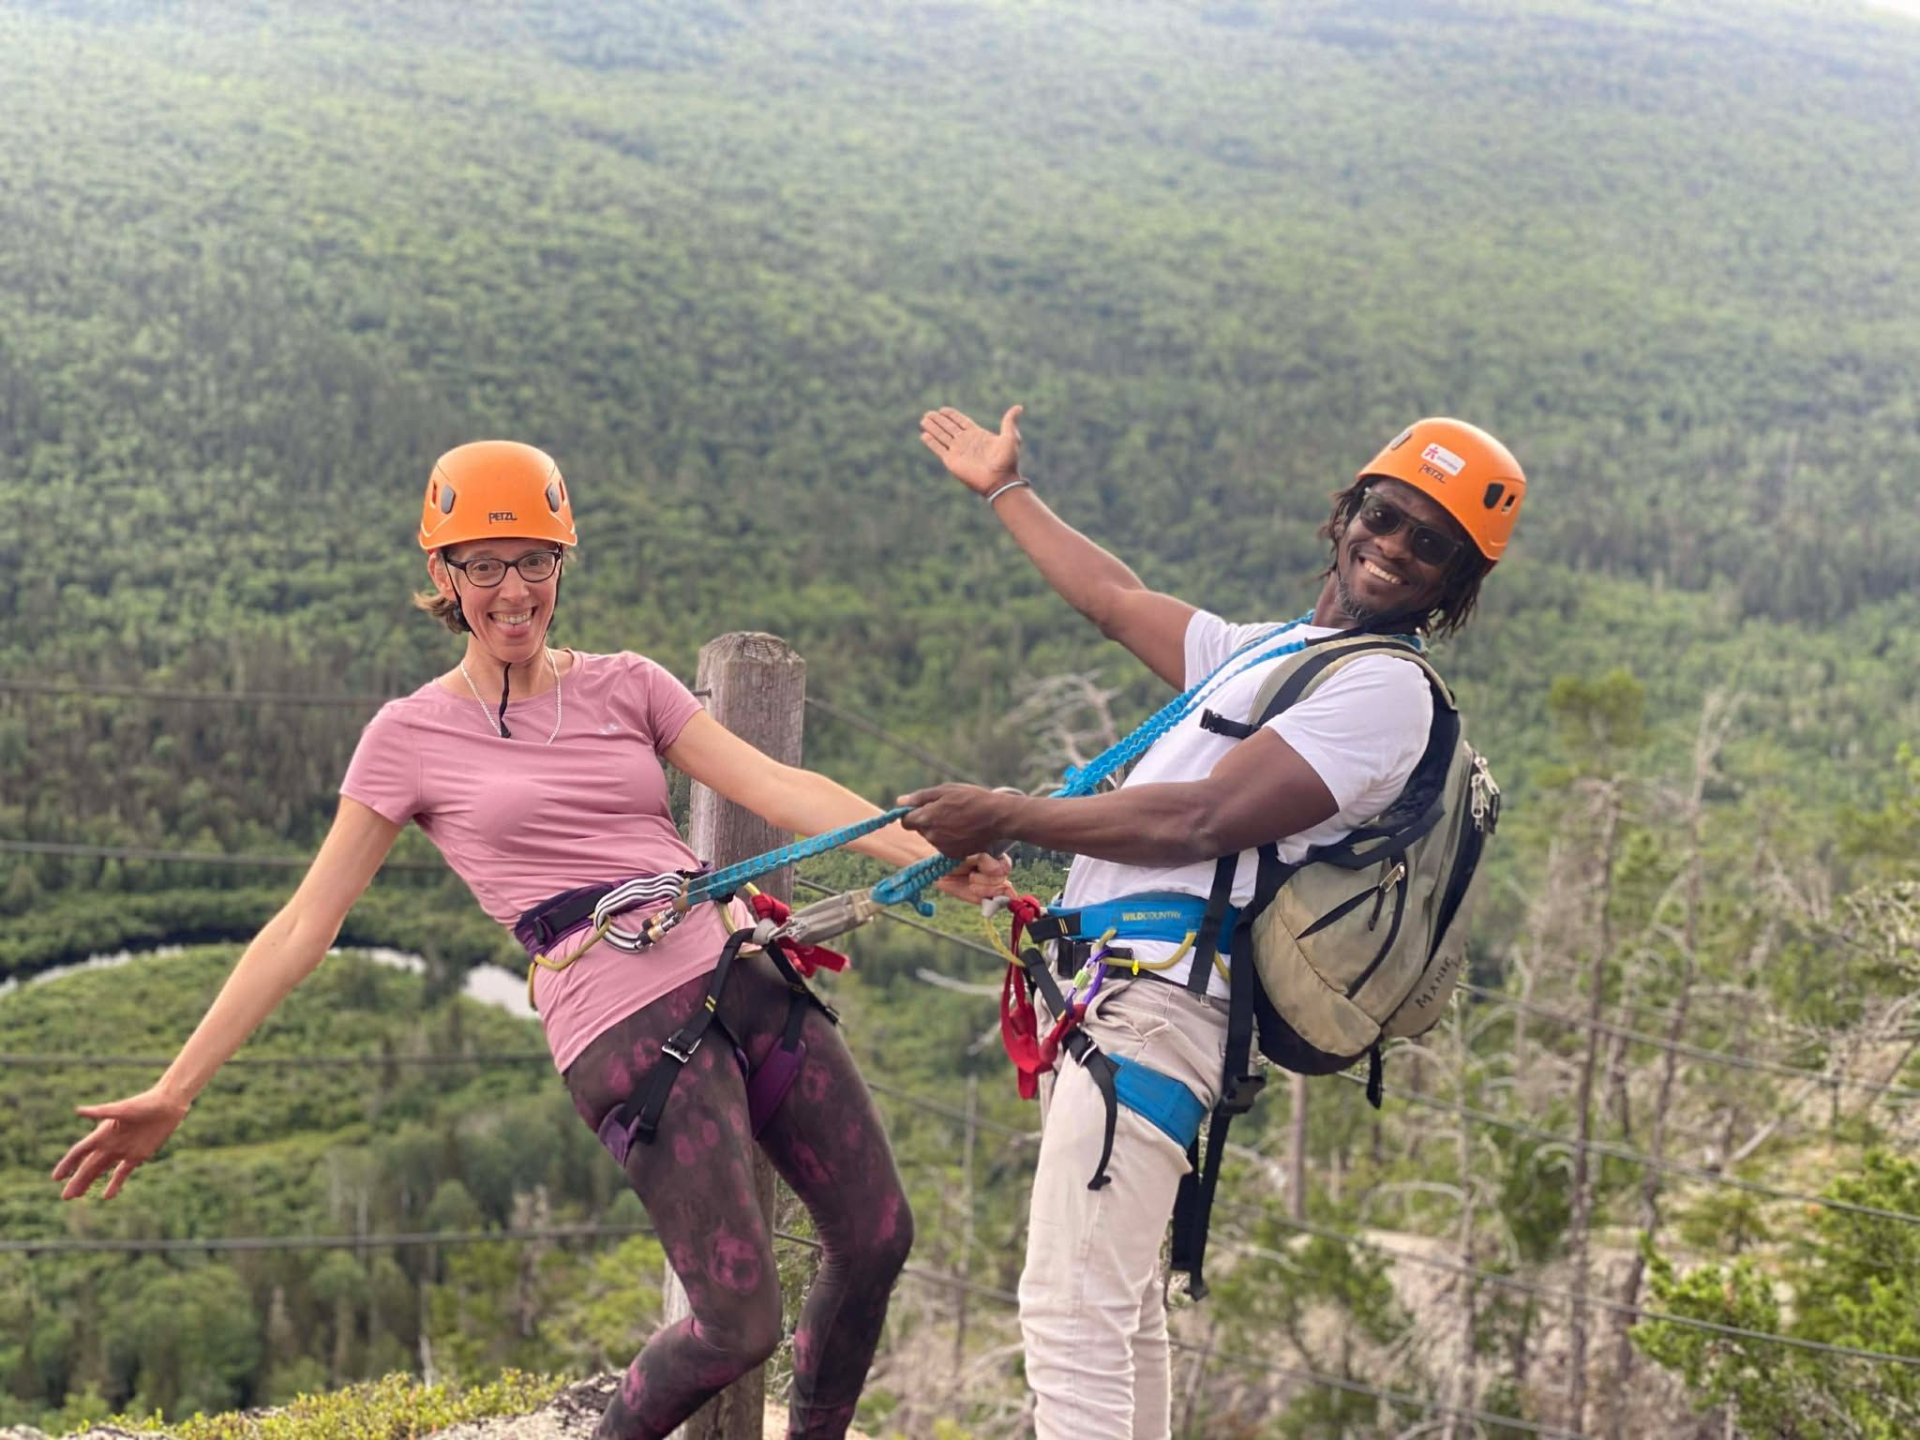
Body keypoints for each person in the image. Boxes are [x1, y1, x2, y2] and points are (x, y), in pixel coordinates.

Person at [52, 439, 1007, 1440]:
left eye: (535, 563)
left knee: (878, 1234)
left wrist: (930, 846)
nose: (513, 592)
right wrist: (178, 1087)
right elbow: (303, 925)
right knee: (736, 1323)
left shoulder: (628, 685)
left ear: (563, 563)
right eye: (483, 567)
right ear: (443, 577)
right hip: (625, 1028)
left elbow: (779, 788)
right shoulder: (410, 736)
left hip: (737, 970)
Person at [901, 404, 1524, 1439]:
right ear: (1347, 511)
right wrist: (1009, 491)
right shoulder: (1280, 653)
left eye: (1433, 544)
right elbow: (1116, 599)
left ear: (1456, 586)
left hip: (1157, 1009)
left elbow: (1204, 817)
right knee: (1117, 1313)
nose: (1395, 547)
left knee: (1072, 1320)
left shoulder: (1385, 693)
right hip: (1130, 1000)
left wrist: (1009, 813)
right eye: (1385, 513)